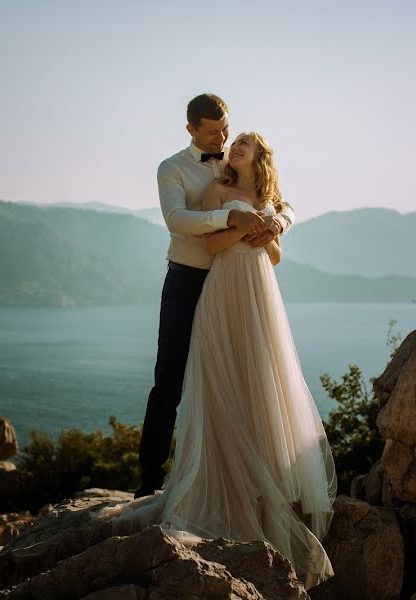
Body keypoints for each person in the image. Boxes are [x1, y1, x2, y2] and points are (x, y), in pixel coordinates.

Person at [99, 127, 337, 589]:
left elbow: (276, 256)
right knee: (217, 383)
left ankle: (261, 482)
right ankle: (210, 485)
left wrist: (268, 231)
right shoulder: (215, 188)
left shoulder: (269, 195)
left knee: (260, 381)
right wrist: (236, 226)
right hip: (223, 290)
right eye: (232, 141)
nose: (235, 145)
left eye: (243, 142)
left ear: (260, 155)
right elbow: (208, 245)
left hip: (260, 297)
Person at [135, 93, 292, 498]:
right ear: (190, 129)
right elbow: (176, 220)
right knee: (169, 381)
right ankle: (150, 481)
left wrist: (279, 224)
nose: (222, 139)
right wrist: (230, 218)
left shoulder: (235, 161)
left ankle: (243, 478)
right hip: (189, 279)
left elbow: (283, 203)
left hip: (238, 283)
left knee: (246, 376)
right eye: (212, 132)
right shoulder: (172, 168)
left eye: (226, 130)